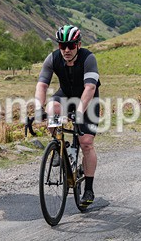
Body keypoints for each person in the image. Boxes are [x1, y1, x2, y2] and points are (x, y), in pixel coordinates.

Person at [34, 25, 101, 206]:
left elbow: (90, 88)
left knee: (86, 143)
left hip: (88, 100)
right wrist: (38, 108)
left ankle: (88, 188)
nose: (66, 50)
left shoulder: (88, 59)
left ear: (78, 44)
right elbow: (42, 85)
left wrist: (79, 112)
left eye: (71, 46)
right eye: (62, 46)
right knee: (52, 108)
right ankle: (59, 145)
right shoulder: (53, 59)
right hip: (66, 95)